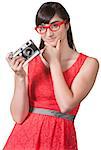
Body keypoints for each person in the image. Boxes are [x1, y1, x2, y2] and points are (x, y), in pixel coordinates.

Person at [3, 2, 99, 150]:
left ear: (67, 25)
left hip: (60, 138)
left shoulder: (88, 64)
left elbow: (66, 105)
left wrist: (54, 62)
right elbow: (18, 117)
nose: (48, 34)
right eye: (42, 28)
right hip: (23, 139)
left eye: (55, 25)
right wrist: (20, 77)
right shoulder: (29, 62)